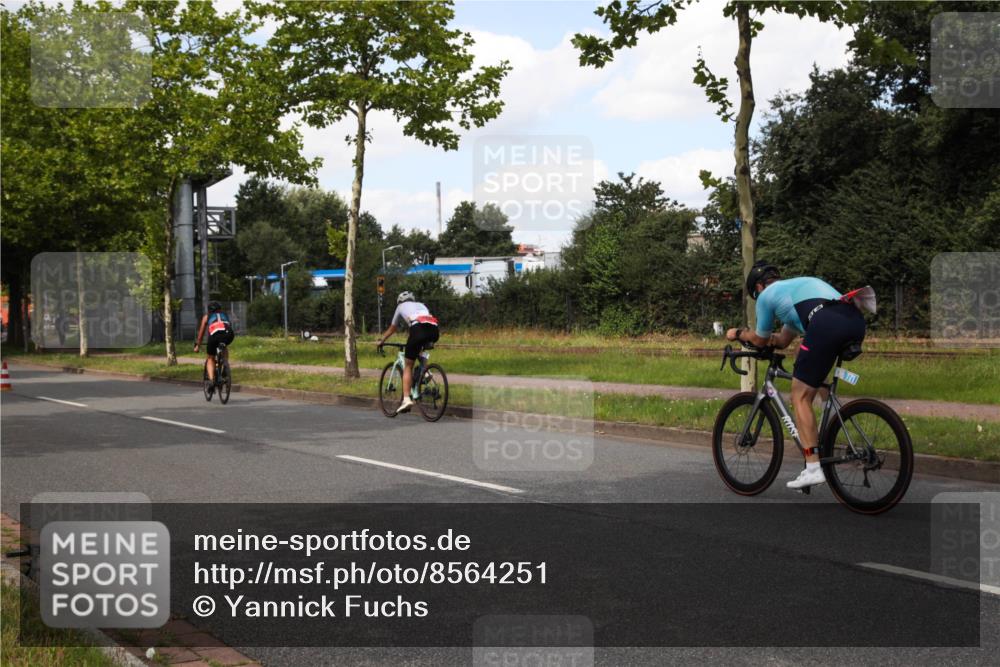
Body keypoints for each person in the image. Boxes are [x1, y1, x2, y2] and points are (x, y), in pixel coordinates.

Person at [726, 261, 866, 490]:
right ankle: (822, 433)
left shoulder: (765, 296)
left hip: (826, 322)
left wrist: (739, 333)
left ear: (758, 287)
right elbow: (781, 341)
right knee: (813, 379)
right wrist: (770, 341)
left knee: (799, 396)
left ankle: (812, 467)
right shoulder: (790, 296)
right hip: (853, 320)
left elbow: (760, 339)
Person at [377, 291, 439, 414]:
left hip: (418, 330)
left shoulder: (400, 307)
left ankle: (406, 400)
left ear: (399, 301)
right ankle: (425, 371)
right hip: (434, 330)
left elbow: (393, 328)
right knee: (419, 348)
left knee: (408, 366)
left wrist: (381, 341)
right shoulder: (421, 305)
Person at [193, 301, 235, 393]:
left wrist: (197, 345)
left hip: (215, 335)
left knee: (210, 358)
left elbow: (201, 334)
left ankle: (212, 381)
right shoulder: (225, 315)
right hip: (229, 334)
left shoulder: (206, 317)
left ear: (209, 310)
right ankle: (225, 365)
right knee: (224, 346)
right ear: (220, 309)